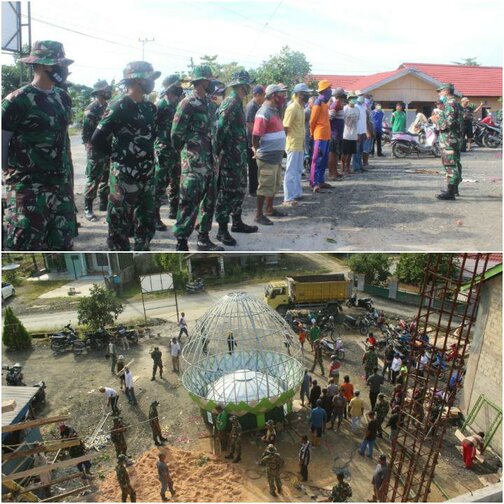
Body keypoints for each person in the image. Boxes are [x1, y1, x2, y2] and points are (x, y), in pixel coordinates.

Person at [2, 40, 76, 251]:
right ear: (43, 65)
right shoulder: (17, 100)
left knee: (62, 242)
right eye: (58, 63)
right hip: (28, 189)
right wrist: (9, 176)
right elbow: (2, 142)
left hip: (60, 186)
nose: (63, 68)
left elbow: (63, 140)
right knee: (26, 243)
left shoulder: (63, 97)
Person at [92, 61, 160, 251]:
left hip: (146, 174)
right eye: (150, 78)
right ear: (137, 80)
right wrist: (118, 158)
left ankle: (142, 248)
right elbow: (97, 139)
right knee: (119, 223)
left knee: (146, 221)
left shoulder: (149, 108)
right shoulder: (119, 105)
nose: (152, 83)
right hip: (124, 176)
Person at [171, 65, 223, 252]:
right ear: (202, 82)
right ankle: (182, 242)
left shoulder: (210, 104)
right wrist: (186, 156)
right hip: (193, 163)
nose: (213, 84)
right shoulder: (187, 104)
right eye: (210, 80)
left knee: (209, 202)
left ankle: (203, 238)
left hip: (209, 162)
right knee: (188, 202)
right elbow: (176, 134)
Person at [214, 71, 258, 246]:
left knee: (239, 190)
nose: (249, 88)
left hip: (238, 157)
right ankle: (222, 230)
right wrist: (217, 157)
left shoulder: (238, 103)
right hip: (228, 160)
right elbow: (219, 132)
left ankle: (237, 223)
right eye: (248, 85)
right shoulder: (230, 104)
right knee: (226, 194)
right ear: (242, 86)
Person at [252, 84, 288, 225]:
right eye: (281, 94)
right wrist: (255, 148)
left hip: (276, 157)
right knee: (265, 185)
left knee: (274, 184)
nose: (283, 97)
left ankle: (269, 209)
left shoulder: (274, 110)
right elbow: (256, 135)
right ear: (273, 95)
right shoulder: (264, 112)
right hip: (267, 157)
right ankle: (259, 214)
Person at [154, 75, 184, 230]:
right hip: (164, 150)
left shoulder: (176, 104)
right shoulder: (160, 105)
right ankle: (154, 216)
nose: (179, 87)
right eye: (176, 84)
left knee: (176, 181)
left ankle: (173, 210)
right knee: (160, 183)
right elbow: (152, 129)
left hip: (176, 150)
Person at [82, 80, 112, 221]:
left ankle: (103, 204)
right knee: (93, 179)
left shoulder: (108, 106)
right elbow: (86, 134)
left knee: (106, 177)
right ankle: (88, 207)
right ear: (100, 92)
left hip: (108, 147)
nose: (109, 92)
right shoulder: (92, 109)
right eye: (106, 90)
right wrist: (91, 150)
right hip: (95, 149)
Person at [431, 83, 463, 199]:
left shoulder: (450, 104)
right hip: (455, 138)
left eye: (440, 92)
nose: (439, 94)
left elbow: (448, 124)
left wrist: (436, 121)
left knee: (450, 164)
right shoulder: (457, 104)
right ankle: (454, 189)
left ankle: (450, 192)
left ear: (445, 91)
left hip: (448, 139)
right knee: (455, 162)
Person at [283, 83, 311, 205]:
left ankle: (297, 194)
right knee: (290, 171)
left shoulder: (301, 107)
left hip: (300, 144)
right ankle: (288, 197)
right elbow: (285, 126)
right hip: (293, 144)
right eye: (305, 93)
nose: (308, 95)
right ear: (299, 94)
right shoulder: (292, 107)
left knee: (298, 170)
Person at [309, 80, 333, 192]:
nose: (330, 91)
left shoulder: (324, 104)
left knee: (324, 160)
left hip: (326, 136)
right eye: (329, 89)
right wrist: (311, 133)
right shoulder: (317, 103)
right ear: (324, 91)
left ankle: (321, 181)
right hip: (319, 136)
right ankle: (314, 183)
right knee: (317, 160)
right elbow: (312, 121)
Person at [245, 85, 265, 196]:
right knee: (253, 166)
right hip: (251, 141)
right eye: (263, 95)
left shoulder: (257, 105)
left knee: (257, 166)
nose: (264, 97)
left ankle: (257, 187)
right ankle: (253, 190)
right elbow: (249, 124)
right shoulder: (251, 106)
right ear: (257, 95)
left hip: (256, 140)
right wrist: (257, 136)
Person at [328, 87, 346, 180]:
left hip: (338, 133)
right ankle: (332, 173)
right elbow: (329, 118)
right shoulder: (335, 104)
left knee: (336, 154)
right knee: (333, 154)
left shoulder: (339, 104)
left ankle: (335, 171)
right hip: (334, 133)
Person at [341, 92, 360, 175]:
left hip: (354, 135)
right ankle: (342, 167)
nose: (354, 100)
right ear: (348, 99)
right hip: (346, 135)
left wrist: (358, 134)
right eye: (352, 98)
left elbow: (358, 121)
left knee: (350, 153)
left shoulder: (357, 109)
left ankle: (348, 167)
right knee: (344, 153)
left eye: (355, 98)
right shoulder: (345, 109)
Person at [351, 92, 368, 172]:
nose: (362, 97)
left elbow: (364, 121)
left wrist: (365, 132)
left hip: (362, 132)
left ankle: (360, 166)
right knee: (356, 151)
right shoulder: (355, 107)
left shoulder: (363, 107)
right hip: (357, 132)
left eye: (363, 96)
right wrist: (356, 133)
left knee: (360, 150)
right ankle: (356, 167)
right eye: (360, 96)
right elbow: (354, 122)